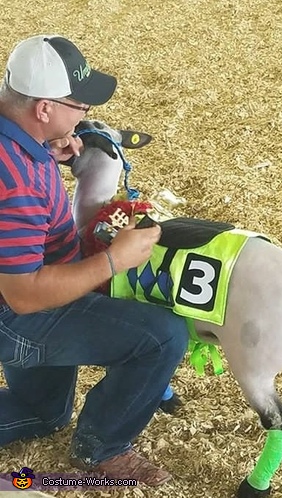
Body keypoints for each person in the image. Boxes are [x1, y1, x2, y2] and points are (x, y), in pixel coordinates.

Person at [0, 35, 189, 485]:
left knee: (46, 413)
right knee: (162, 337)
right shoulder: (14, 181)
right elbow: (25, 296)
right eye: (79, 106)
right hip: (16, 314)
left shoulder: (18, 133)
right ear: (44, 108)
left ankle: (41, 407)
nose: (84, 114)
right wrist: (113, 261)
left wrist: (45, 151)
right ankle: (103, 448)